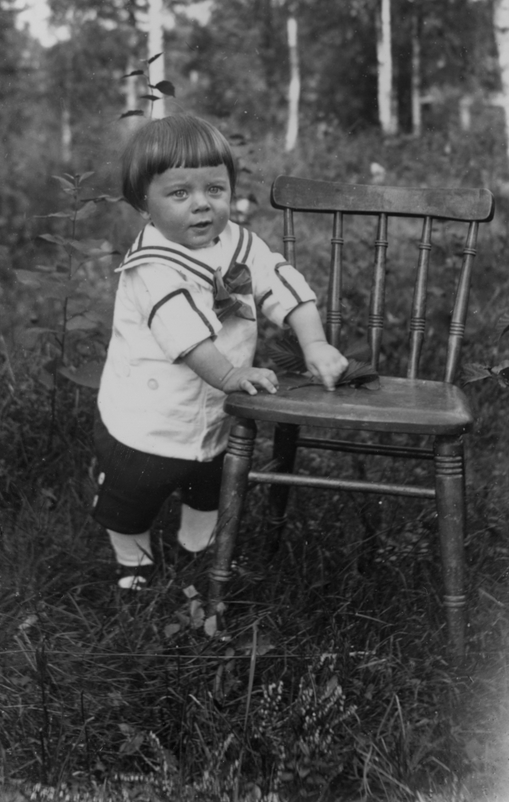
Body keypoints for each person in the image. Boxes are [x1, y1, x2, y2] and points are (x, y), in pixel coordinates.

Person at [92, 115, 348, 589]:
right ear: (144, 203)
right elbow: (184, 335)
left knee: (209, 481)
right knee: (133, 495)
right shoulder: (152, 266)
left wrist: (313, 340)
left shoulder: (237, 242)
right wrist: (231, 377)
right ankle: (133, 562)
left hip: (215, 408)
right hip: (149, 416)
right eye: (179, 193)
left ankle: (197, 545)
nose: (201, 205)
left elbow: (279, 280)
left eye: (215, 189)